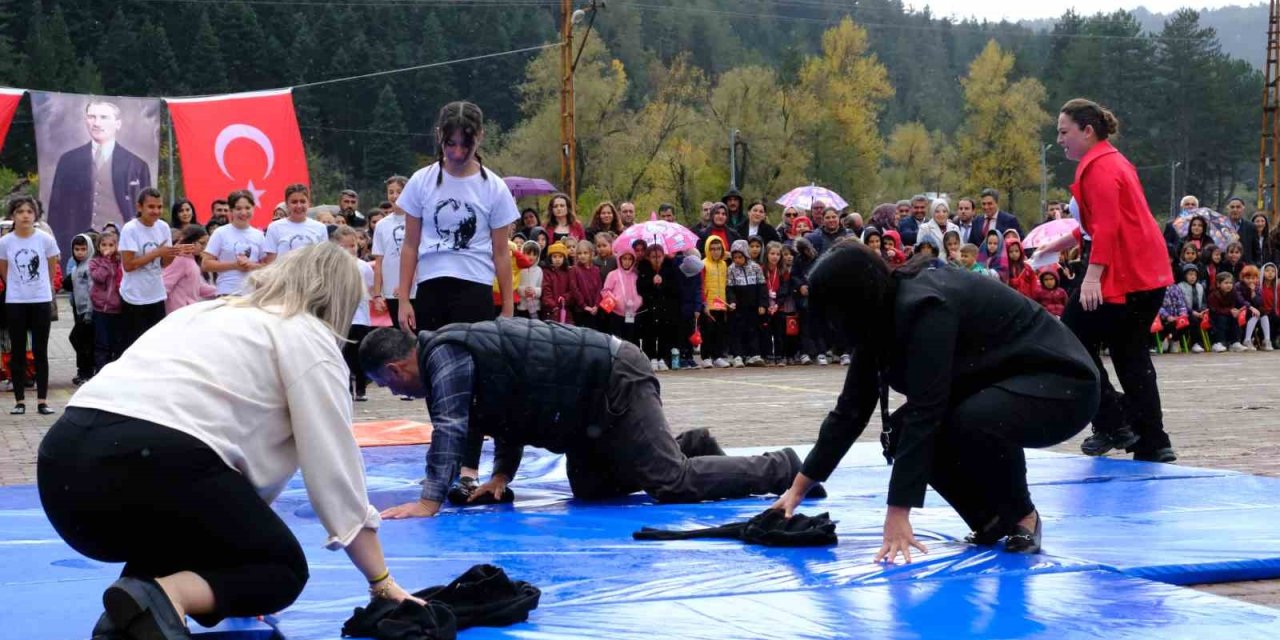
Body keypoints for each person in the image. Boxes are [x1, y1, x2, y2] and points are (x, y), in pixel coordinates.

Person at [39, 244, 418, 639]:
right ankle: (167, 593)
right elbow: (335, 471)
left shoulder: (205, 312)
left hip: (63, 470)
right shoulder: (308, 337)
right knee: (280, 569)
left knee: (190, 521)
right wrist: (381, 580)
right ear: (341, 301)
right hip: (149, 464)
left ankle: (133, 609)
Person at [771, 244, 1100, 562]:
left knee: (971, 418)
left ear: (853, 302)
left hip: (1063, 386)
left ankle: (1023, 516)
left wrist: (898, 513)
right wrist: (797, 490)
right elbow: (850, 411)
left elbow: (926, 410)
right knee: (900, 434)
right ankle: (989, 519)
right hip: (1002, 383)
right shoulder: (878, 318)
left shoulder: (924, 307)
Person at [360, 319, 811, 519]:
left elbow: (452, 426)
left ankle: (783, 467)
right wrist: (500, 474)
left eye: (388, 385)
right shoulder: (453, 352)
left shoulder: (445, 354)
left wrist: (428, 500)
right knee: (591, 488)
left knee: (671, 484)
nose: (395, 393)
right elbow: (504, 408)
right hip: (584, 407)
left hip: (612, 377)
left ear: (397, 369)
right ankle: (688, 444)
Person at [1051, 99, 1177, 462]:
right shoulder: (1112, 160)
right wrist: (1060, 244)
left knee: (1068, 342)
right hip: (1145, 274)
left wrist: (1092, 276)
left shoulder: (1099, 168)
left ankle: (1114, 419)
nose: (1060, 140)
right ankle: (1152, 439)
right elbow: (1100, 224)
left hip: (1122, 275)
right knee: (1130, 355)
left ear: (1086, 131)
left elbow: (1108, 226)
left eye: (1064, 132)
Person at [395, 102, 517, 334]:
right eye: (451, 144)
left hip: (476, 286)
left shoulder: (494, 188)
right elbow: (410, 245)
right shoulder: (421, 181)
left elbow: (501, 252)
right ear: (439, 134)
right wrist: (403, 300)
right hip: (431, 285)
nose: (458, 153)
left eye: (466, 145)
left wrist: (508, 310)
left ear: (480, 137)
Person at [47, 100, 153, 252]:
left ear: (118, 124)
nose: (96, 123)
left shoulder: (137, 165)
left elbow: (146, 212)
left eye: (104, 117)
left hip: (123, 245)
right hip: (78, 246)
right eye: (92, 117)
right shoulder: (68, 161)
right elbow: (56, 211)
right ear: (86, 121)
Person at [0, 195, 61, 415]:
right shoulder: (5, 242)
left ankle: (42, 401)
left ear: (34, 215)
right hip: (16, 301)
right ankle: (19, 401)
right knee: (17, 352)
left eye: (29, 211)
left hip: (40, 300)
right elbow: (4, 270)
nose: (25, 215)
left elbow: (51, 268)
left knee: (40, 351)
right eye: (20, 211)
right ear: (13, 216)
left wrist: (40, 288)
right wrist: (17, 287)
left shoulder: (45, 239)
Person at [119, 189, 193, 352]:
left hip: (156, 294)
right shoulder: (130, 229)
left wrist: (174, 251)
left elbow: (164, 263)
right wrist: (156, 252)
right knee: (134, 346)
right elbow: (129, 265)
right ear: (139, 207)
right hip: (134, 296)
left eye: (159, 207)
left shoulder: (163, 227)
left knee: (156, 345)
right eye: (151, 207)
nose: (156, 211)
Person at [202, 190, 266, 298]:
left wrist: (252, 266)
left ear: (253, 209)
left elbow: (268, 266)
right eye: (238, 208)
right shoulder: (220, 233)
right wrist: (234, 265)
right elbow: (205, 264)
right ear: (231, 211)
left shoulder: (259, 235)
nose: (243, 212)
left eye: (247, 208)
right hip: (227, 293)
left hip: (252, 295)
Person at [636, 243, 681, 371]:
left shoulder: (669, 268)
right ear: (648, 258)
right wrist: (651, 282)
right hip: (649, 307)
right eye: (653, 257)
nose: (657, 259)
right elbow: (640, 288)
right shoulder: (643, 269)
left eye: (659, 256)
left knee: (664, 334)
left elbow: (675, 289)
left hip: (665, 308)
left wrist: (663, 283)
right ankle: (651, 358)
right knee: (649, 334)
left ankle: (662, 358)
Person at [263, 185, 329, 264]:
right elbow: (271, 264)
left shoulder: (320, 228)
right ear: (287, 205)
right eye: (294, 202)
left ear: (309, 203)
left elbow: (323, 261)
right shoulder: (274, 227)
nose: (299, 206)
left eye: (302, 201)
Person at [726, 239, 766, 367]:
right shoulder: (731, 269)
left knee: (753, 330)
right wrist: (732, 301)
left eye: (740, 257)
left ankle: (753, 354)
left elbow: (761, 287)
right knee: (737, 331)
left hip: (753, 306)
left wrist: (762, 304)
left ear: (746, 255)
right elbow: (730, 288)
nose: (737, 260)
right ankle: (738, 355)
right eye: (735, 257)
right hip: (738, 307)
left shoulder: (755, 267)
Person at [63, 233, 96, 385]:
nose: (80, 252)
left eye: (83, 249)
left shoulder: (89, 266)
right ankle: (84, 371)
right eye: (77, 249)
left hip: (88, 312)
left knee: (78, 339)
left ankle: (88, 372)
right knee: (81, 341)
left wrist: (89, 312)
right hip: (79, 310)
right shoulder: (77, 268)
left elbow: (91, 290)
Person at [89, 232, 125, 371]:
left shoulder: (120, 262)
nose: (107, 248)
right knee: (101, 343)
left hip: (117, 309)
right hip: (101, 309)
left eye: (111, 245)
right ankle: (100, 371)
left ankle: (113, 371)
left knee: (116, 343)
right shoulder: (95, 262)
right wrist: (105, 262)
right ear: (98, 246)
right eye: (104, 245)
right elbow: (99, 278)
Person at [163, 225, 217, 314]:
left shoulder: (190, 260)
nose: (204, 247)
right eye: (202, 243)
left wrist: (220, 292)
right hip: (177, 313)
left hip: (188, 311)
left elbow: (198, 286)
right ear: (191, 241)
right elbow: (166, 285)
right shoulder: (179, 259)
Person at [1208, 272, 1246, 352]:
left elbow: (1232, 306)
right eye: (1226, 283)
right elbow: (1215, 310)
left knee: (1235, 318)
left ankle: (1235, 342)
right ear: (1218, 284)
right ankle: (1218, 343)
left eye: (1230, 283)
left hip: (1228, 315)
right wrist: (1230, 311)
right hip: (1214, 317)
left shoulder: (1232, 293)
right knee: (1222, 319)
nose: (1229, 285)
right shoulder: (1213, 295)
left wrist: (1236, 311)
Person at [1178, 263, 1208, 353]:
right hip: (1186, 312)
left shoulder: (1200, 286)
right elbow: (1181, 304)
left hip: (1199, 312)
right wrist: (1192, 312)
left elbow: (1203, 302)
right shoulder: (1180, 286)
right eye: (1190, 274)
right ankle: (1196, 343)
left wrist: (1203, 310)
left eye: (1195, 275)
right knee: (1194, 320)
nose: (1193, 277)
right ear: (1184, 275)